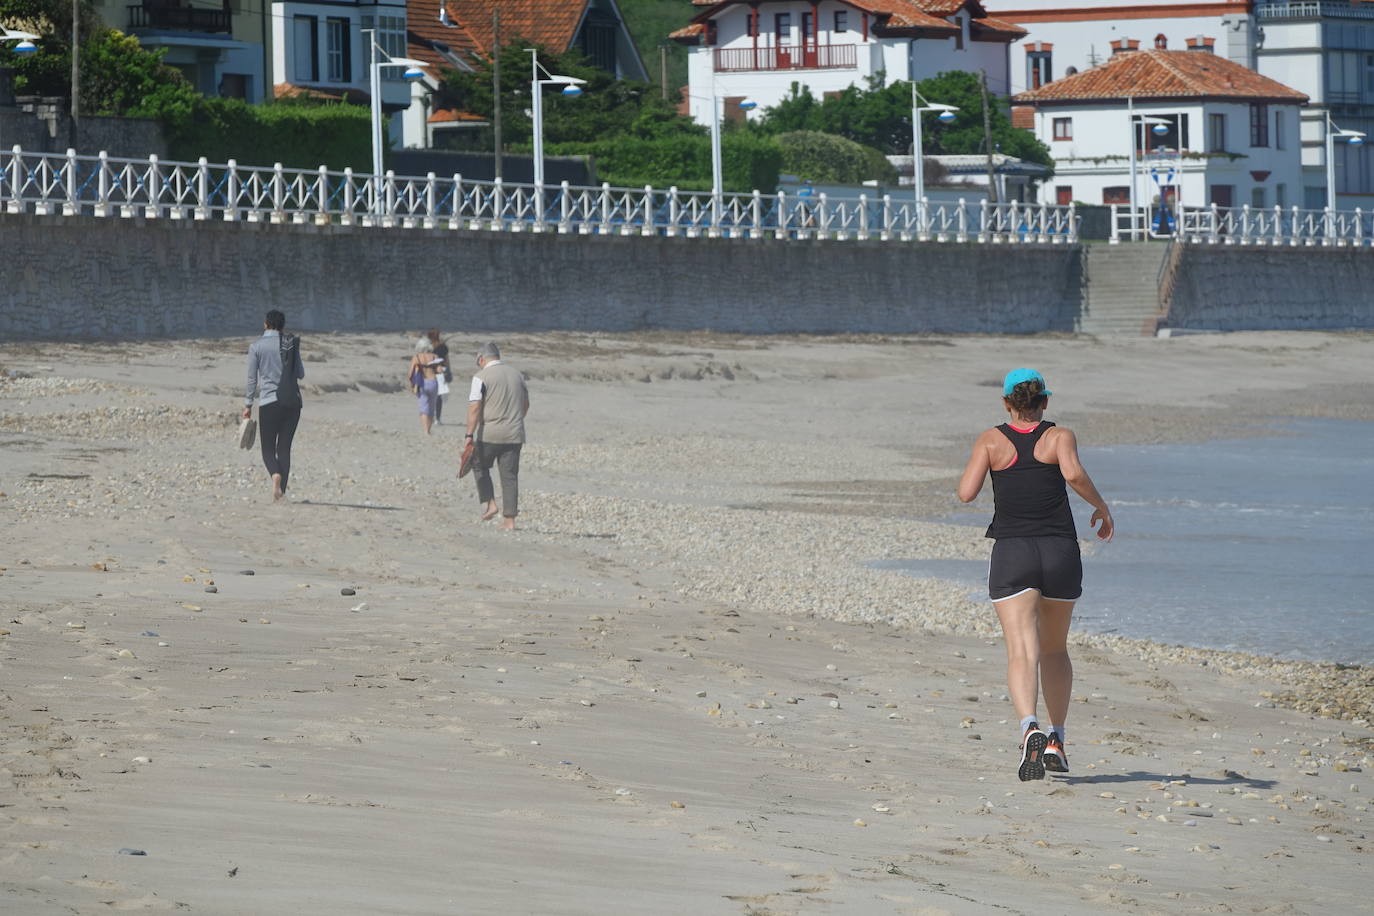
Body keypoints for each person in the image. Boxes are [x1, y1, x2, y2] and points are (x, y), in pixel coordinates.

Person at [957, 368, 1114, 781]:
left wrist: (991, 463)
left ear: (1007, 403)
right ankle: (1058, 740)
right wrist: (1101, 506)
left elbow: (966, 492)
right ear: (1045, 401)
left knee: (1021, 650)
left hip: (1013, 552)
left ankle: (1030, 728)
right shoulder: (1059, 437)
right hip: (1060, 550)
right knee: (1055, 649)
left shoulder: (991, 440)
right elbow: (1074, 474)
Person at [465, 341, 529, 530]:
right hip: (515, 432)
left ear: (482, 359)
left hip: (490, 432)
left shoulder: (481, 377)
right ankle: (510, 520)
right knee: (509, 476)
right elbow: (525, 404)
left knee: (478, 465)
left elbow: (475, 407)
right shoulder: (517, 375)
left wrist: (469, 434)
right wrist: (515, 419)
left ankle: (490, 503)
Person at [243, 309, 304, 503]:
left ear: (266, 324)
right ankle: (281, 493)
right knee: (284, 449)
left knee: (268, 450)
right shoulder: (290, 344)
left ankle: (275, 475)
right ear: (283, 326)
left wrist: (248, 405)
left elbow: (252, 379)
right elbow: (300, 373)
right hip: (292, 402)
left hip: (269, 403)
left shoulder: (256, 347)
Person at [408, 337, 445, 436]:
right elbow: (439, 370)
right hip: (433, 382)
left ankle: (425, 431)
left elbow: (410, 373)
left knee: (424, 407)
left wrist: (412, 385)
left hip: (422, 383)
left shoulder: (417, 357)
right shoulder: (435, 356)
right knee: (432, 407)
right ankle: (429, 429)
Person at [427, 329, 452, 424]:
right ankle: (437, 418)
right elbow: (446, 361)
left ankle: (430, 416)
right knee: (438, 396)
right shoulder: (444, 347)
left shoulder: (428, 347)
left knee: (430, 395)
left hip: (429, 372)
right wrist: (448, 372)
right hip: (440, 372)